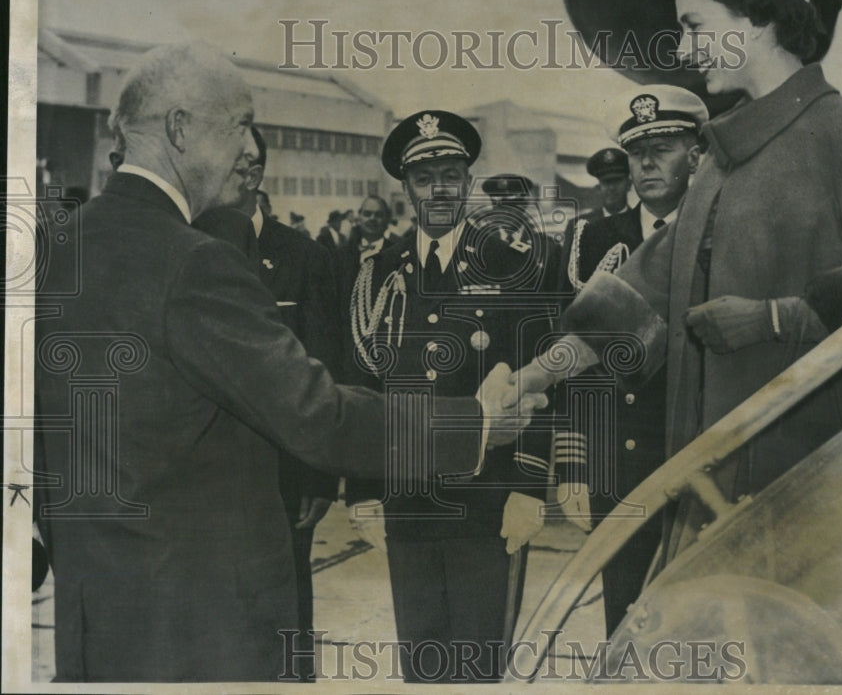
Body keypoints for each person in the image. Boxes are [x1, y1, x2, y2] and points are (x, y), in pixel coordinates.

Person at [33, 42, 542, 683]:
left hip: (98, 617)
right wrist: (477, 423)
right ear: (180, 128)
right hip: (201, 626)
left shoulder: (59, 245)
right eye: (240, 124)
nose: (250, 149)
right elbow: (319, 415)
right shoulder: (194, 260)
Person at [513, 0, 842, 566]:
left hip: (805, 504)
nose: (683, 46)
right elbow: (649, 283)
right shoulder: (722, 158)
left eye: (696, 25)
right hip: (710, 491)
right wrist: (541, 371)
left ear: (758, 17)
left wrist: (774, 318)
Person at [345, 111, 555, 683]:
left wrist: (528, 486)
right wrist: (362, 490)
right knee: (423, 663)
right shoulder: (379, 271)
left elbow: (539, 379)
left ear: (466, 181)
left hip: (489, 502)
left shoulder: (513, 267)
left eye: (450, 173)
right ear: (406, 189)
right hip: (408, 499)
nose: (438, 188)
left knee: (479, 665)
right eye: (424, 177)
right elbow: (363, 385)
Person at [556, 85, 708, 636]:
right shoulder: (592, 241)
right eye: (636, 151)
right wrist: (574, 464)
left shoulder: (719, 234)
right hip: (617, 462)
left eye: (663, 147)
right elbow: (571, 361)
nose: (645, 163)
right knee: (623, 617)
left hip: (700, 457)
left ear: (697, 154)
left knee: (698, 623)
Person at [196, 127, 345, 672]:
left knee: (283, 615)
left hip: (283, 475)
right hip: (203, 474)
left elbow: (328, 370)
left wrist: (320, 476)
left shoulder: (304, 257)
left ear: (256, 173)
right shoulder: (188, 245)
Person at [559, 147, 631, 296]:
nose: (611, 188)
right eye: (606, 182)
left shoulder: (643, 221)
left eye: (617, 181)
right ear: (598, 187)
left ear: (629, 184)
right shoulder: (579, 226)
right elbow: (565, 284)